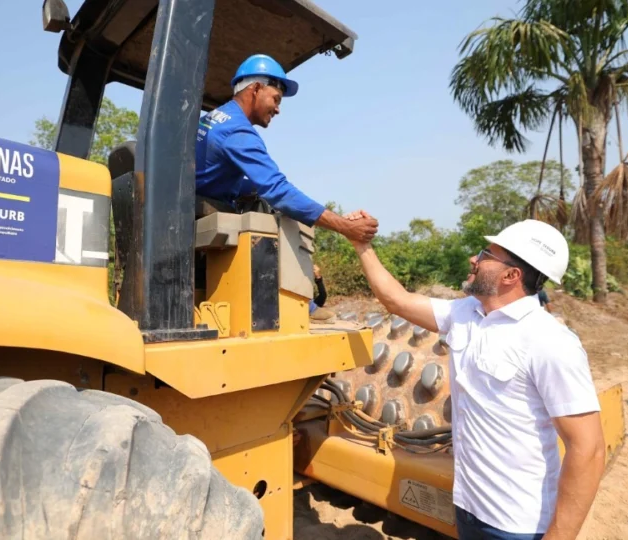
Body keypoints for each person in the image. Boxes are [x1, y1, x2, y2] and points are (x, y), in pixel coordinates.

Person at [345, 215, 606, 540]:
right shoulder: (465, 313)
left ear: (512, 275)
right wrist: (362, 245)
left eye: (485, 255)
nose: (474, 258)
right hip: (468, 506)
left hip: (518, 524)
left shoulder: (549, 341)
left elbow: (589, 450)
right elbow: (396, 300)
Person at [194, 54, 377, 243]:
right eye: (276, 99)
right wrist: (345, 226)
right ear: (256, 88)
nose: (278, 109)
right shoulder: (238, 132)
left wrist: (256, 188)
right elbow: (277, 190)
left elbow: (209, 174)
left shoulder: (217, 117)